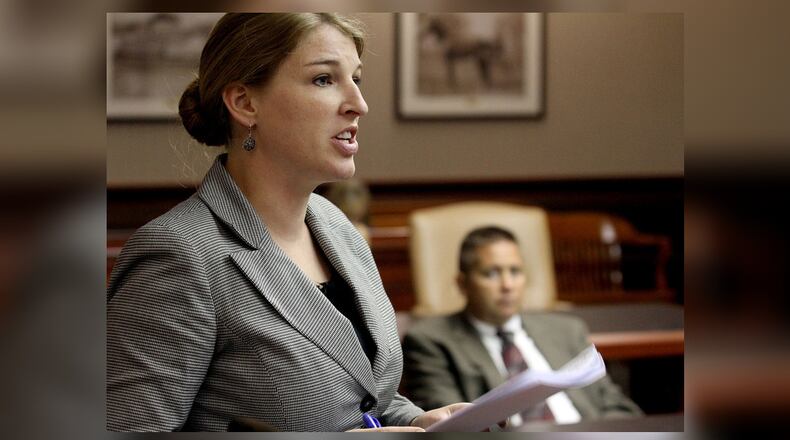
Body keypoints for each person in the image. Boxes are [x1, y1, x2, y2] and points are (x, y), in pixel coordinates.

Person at [107, 13, 467, 432]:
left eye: (356, 78)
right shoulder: (178, 254)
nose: (358, 104)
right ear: (244, 103)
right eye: (324, 80)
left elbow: (364, 396)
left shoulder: (337, 227)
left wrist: (420, 421)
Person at [401, 226, 643, 427]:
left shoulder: (567, 330)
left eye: (515, 272)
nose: (508, 285)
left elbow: (619, 408)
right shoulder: (430, 341)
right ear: (462, 284)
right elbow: (453, 427)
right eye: (492, 273)